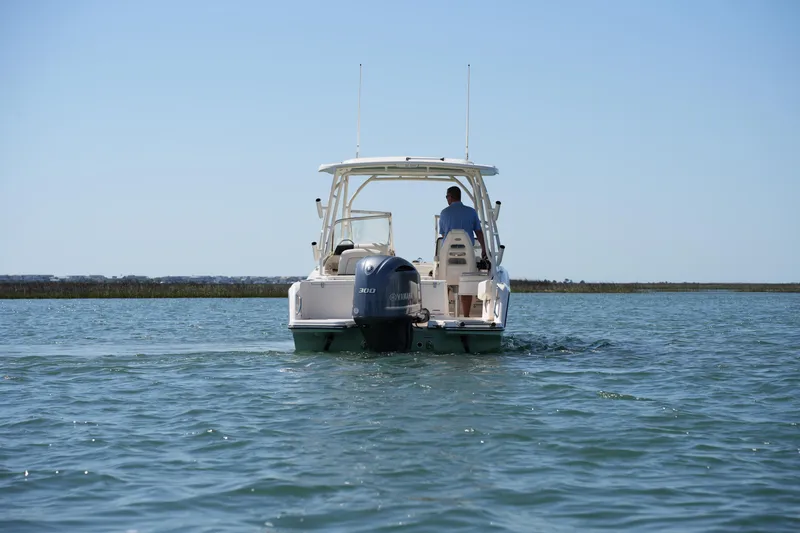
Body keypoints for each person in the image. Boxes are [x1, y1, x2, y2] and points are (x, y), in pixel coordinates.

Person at [439, 186, 487, 317]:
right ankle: (466, 316)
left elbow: (444, 236)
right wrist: (484, 249)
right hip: (467, 258)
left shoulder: (444, 213)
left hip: (448, 260)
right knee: (466, 285)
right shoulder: (471, 212)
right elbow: (479, 232)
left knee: (445, 284)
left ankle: (446, 314)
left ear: (450, 197)